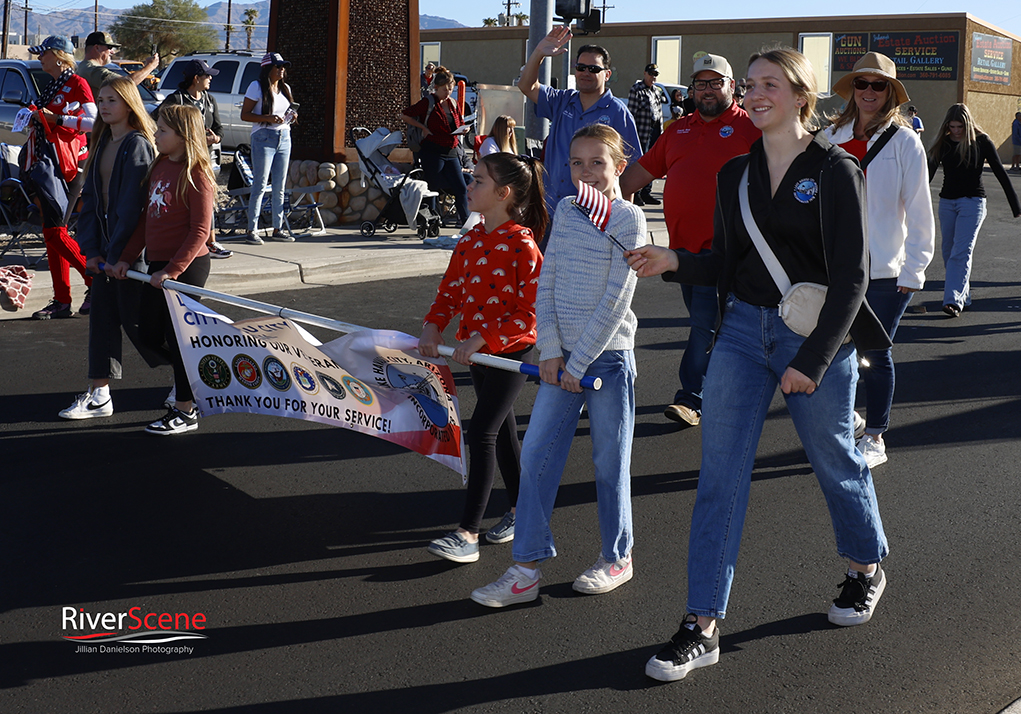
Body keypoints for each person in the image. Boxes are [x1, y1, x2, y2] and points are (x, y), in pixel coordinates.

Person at [627, 47, 891, 682]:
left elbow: (853, 277)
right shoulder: (734, 174)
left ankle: (865, 565)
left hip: (813, 333)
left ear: (803, 95)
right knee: (719, 476)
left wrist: (814, 358)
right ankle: (701, 622)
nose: (756, 92)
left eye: (770, 83)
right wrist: (675, 263)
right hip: (744, 332)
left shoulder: (833, 169)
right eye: (751, 84)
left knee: (833, 456)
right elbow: (726, 264)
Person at [470, 124, 645, 607]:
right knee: (537, 458)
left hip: (606, 359)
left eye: (597, 162)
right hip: (559, 359)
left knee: (610, 463)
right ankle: (525, 567)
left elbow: (617, 298)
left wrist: (580, 361)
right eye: (575, 162)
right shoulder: (566, 212)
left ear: (619, 167)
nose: (585, 171)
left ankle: (617, 556)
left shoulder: (630, 219)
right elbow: (545, 282)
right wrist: (550, 351)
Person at [419, 153, 547, 563]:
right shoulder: (471, 238)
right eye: (471, 179)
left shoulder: (522, 244)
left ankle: (468, 532)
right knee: (504, 435)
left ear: (503, 194)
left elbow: (530, 312)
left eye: (477, 181)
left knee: (482, 432)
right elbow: (450, 291)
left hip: (511, 352)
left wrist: (482, 338)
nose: (469, 186)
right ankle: (523, 510)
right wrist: (433, 325)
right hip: (480, 353)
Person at [620, 53, 759, 428]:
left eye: (717, 82)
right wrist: (601, 200)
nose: (708, 90)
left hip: (728, 253)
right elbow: (636, 176)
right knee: (715, 326)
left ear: (733, 87)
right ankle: (727, 389)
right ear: (691, 89)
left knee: (704, 324)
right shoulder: (678, 130)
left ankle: (691, 398)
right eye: (701, 83)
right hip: (682, 255)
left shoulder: (752, 129)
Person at [823, 52, 934, 470]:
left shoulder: (906, 142)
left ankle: (875, 435)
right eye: (862, 83)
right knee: (834, 349)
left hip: (887, 271)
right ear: (852, 89)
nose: (869, 91)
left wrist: (915, 268)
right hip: (835, 268)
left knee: (874, 352)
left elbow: (920, 209)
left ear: (891, 93)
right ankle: (848, 419)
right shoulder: (831, 136)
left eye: (878, 85)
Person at [58, 76, 160, 420]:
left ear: (129, 104)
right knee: (101, 318)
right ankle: (99, 393)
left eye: (112, 100)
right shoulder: (101, 142)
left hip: (130, 256)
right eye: (100, 100)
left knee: (141, 327)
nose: (103, 105)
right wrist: (92, 251)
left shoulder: (138, 145)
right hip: (105, 256)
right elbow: (91, 201)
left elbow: (133, 208)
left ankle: (187, 380)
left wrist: (117, 255)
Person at [110, 104, 214, 435]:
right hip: (158, 266)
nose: (155, 134)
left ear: (184, 137)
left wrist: (173, 270)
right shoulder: (159, 166)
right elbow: (146, 220)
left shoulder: (196, 173)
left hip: (187, 267)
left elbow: (200, 231)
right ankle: (196, 374)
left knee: (177, 338)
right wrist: (126, 257)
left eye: (163, 131)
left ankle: (185, 410)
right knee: (148, 333)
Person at [516, 26, 642, 220]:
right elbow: (526, 85)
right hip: (549, 209)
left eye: (593, 69)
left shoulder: (618, 112)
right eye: (581, 67)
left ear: (607, 75)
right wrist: (539, 52)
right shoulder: (562, 101)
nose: (585, 72)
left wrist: (624, 217)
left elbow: (630, 170)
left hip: (592, 216)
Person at [26, 36, 96, 320]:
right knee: (52, 233)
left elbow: (96, 122)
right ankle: (62, 299)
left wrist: (60, 120)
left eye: (43, 54)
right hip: (49, 165)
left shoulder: (78, 83)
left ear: (58, 56)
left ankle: (95, 282)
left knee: (55, 231)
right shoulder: (51, 85)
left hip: (70, 166)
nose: (40, 58)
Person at [927, 103, 1021, 317]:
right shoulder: (943, 143)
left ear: (967, 124)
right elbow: (926, 175)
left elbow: (1000, 172)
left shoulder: (981, 141)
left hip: (973, 203)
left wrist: (1016, 206)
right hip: (947, 203)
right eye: (952, 127)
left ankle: (952, 301)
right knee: (948, 251)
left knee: (961, 252)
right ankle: (964, 294)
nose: (956, 131)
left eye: (960, 126)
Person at [160, 58, 231, 259]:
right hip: (181, 161)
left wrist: (215, 138)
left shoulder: (210, 100)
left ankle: (211, 242)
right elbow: (160, 122)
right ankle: (181, 240)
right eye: (207, 75)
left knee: (205, 200)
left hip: (204, 160)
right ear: (196, 78)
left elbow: (219, 129)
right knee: (180, 200)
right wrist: (193, 137)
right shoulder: (176, 100)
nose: (210, 79)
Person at [401, 65, 470, 227]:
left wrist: (463, 129)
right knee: (433, 187)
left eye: (450, 89)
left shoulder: (453, 103)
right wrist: (423, 128)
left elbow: (459, 122)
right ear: (436, 87)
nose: (448, 93)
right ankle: (432, 222)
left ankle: (466, 222)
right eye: (445, 90)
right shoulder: (429, 101)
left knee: (460, 187)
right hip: (432, 150)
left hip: (451, 149)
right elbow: (404, 114)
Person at [240, 52, 297, 246]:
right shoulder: (256, 87)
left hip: (284, 136)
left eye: (283, 66)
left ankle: (277, 228)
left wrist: (291, 116)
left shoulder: (285, 88)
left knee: (280, 185)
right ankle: (251, 230)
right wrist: (267, 118)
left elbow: (286, 111)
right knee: (260, 184)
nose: (282, 70)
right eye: (278, 66)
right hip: (263, 137)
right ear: (268, 69)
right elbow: (245, 115)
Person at [627, 63, 667, 206]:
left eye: (655, 74)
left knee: (653, 161)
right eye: (651, 74)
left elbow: (659, 112)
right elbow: (631, 113)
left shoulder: (656, 91)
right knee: (641, 162)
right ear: (645, 74)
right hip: (642, 131)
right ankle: (636, 193)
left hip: (655, 129)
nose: (653, 77)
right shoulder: (637, 90)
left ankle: (646, 192)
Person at [76, 31, 159, 96]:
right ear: (97, 48)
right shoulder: (91, 70)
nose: (112, 52)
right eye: (109, 47)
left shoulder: (84, 68)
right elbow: (126, 83)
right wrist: (151, 66)